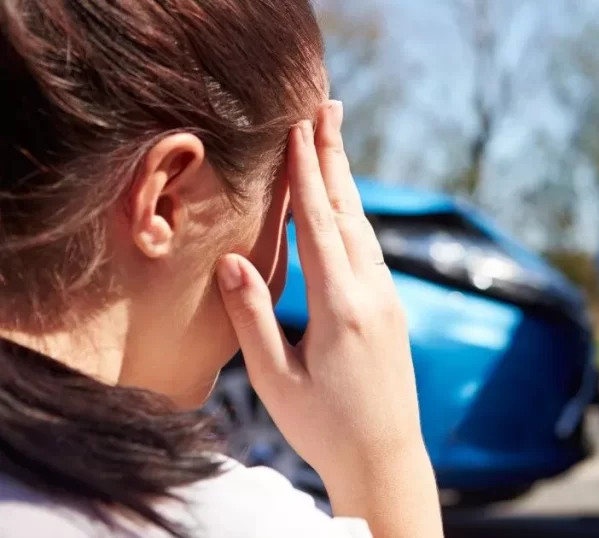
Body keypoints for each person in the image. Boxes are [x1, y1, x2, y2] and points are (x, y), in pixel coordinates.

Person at [0, 1, 444, 537]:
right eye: (286, 222)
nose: (279, 280)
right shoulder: (221, 521)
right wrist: (386, 460)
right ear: (166, 202)